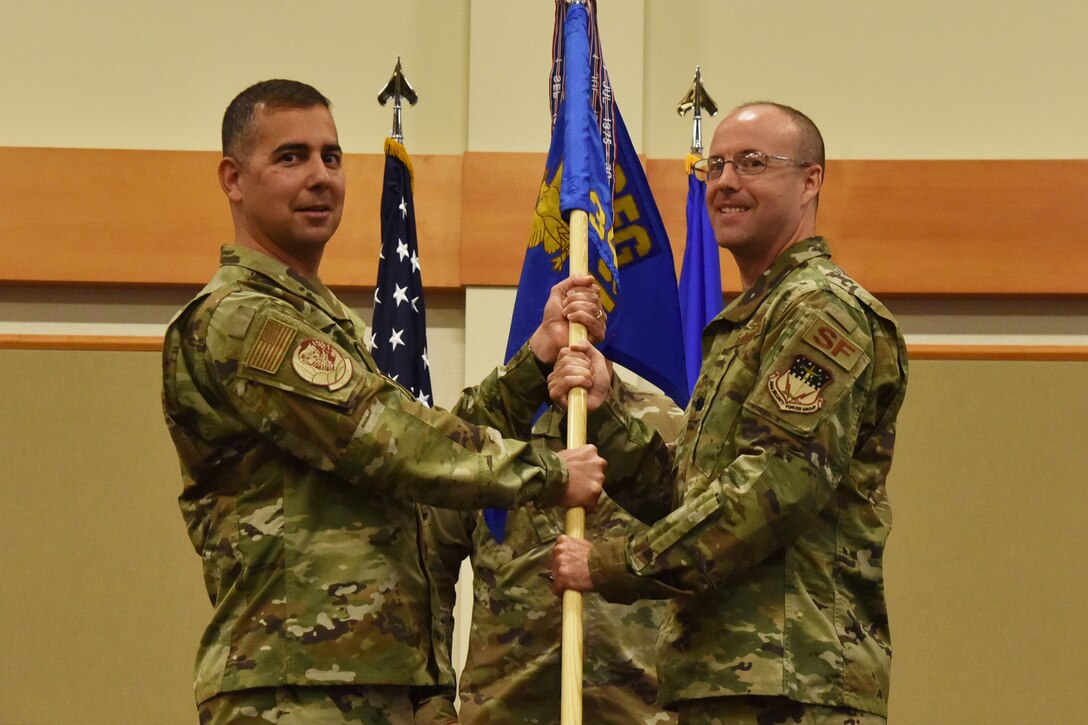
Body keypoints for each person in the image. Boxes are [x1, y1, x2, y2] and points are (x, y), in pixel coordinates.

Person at [161, 79, 607, 724]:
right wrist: (546, 473)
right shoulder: (242, 319)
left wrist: (534, 360)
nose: (319, 177)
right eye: (290, 157)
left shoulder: (322, 319)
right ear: (233, 178)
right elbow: (387, 441)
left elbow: (413, 454)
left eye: (331, 157)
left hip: (387, 678)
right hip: (297, 688)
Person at [547, 102, 909, 724]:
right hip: (723, 679)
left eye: (752, 163)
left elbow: (771, 490)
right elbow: (688, 497)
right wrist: (606, 413)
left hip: (793, 681)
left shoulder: (822, 312)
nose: (725, 182)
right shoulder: (750, 322)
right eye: (715, 166)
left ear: (810, 180)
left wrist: (612, 563)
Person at [422, 373, 682, 724]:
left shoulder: (667, 426)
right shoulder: (492, 430)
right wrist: (432, 709)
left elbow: (706, 558)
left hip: (643, 713)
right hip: (504, 712)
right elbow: (428, 571)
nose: (576, 318)